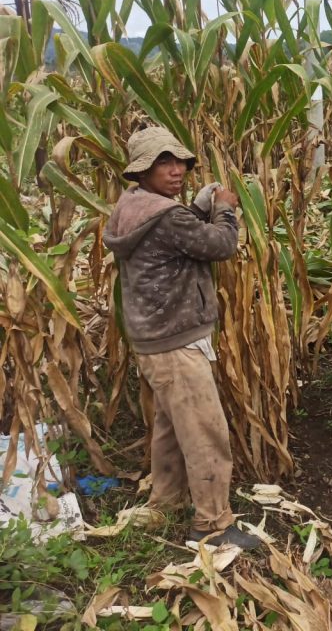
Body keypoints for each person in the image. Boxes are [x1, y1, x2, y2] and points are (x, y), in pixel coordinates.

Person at [103, 126, 261, 549]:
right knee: (206, 432)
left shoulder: (134, 205)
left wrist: (195, 208)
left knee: (171, 428)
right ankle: (213, 526)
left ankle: (166, 502)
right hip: (175, 341)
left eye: (180, 162)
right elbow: (220, 245)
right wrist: (224, 209)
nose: (176, 171)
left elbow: (172, 238)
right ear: (142, 170)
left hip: (153, 339)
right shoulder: (168, 217)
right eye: (163, 163)